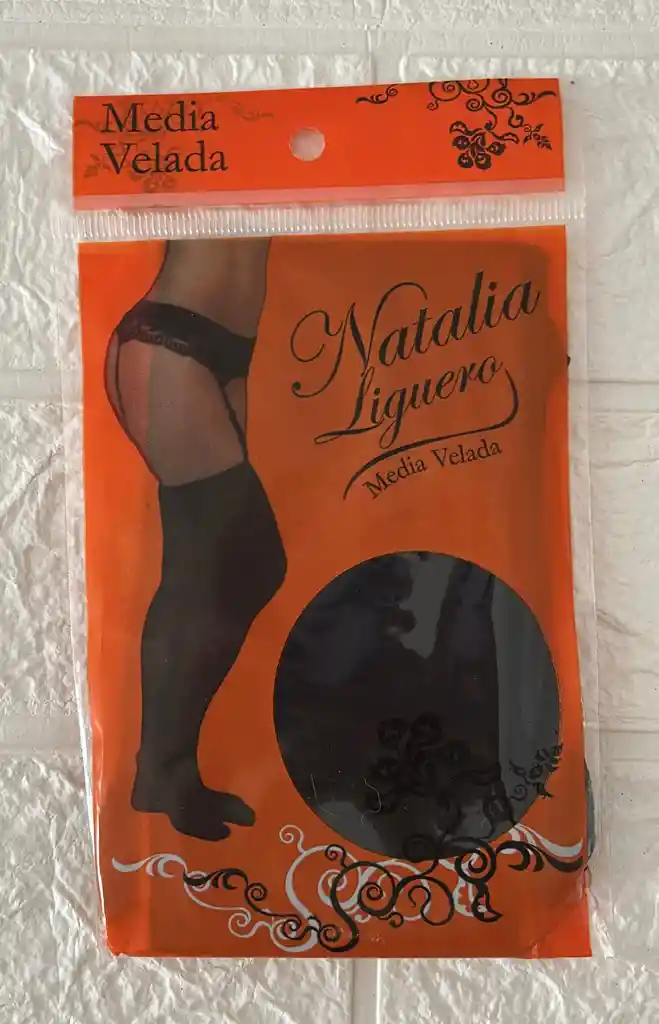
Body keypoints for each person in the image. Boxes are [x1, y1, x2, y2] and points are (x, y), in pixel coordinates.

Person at [105, 237, 287, 842]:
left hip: (223, 354)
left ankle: (163, 773)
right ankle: (162, 768)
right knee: (246, 562)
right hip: (171, 343)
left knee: (202, 570)